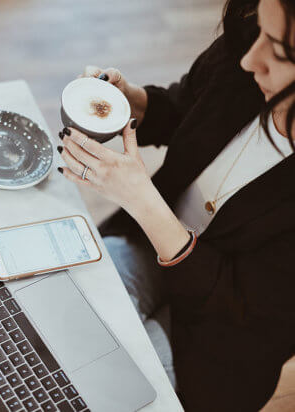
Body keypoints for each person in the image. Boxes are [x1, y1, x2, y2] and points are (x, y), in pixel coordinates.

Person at [56, 0, 295, 410]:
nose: (250, 61)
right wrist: (131, 101)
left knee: (96, 392)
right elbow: (186, 107)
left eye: (277, 51)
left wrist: (141, 200)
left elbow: (240, 313)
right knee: (58, 320)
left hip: (215, 349)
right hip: (147, 248)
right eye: (260, 34)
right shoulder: (248, 40)